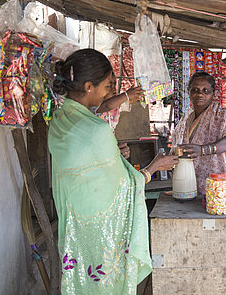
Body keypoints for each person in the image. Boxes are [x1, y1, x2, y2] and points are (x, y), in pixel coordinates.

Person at [48, 49, 178, 294]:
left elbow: (85, 164)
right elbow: (125, 186)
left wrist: (113, 153)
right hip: (97, 229)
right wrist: (155, 166)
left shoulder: (61, 118)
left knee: (81, 283)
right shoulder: (96, 130)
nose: (110, 93)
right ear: (88, 87)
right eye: (108, 86)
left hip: (74, 225)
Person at [172, 71, 226, 195]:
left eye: (205, 91)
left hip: (216, 176)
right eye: (195, 90)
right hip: (189, 177)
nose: (200, 94)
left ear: (213, 93)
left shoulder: (223, 115)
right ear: (189, 92)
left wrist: (203, 150)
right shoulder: (185, 119)